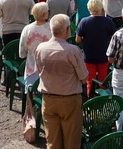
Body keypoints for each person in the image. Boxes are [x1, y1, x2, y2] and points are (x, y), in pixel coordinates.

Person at [35, 14, 87, 149]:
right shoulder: (73, 51)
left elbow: (38, 71)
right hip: (70, 100)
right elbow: (83, 78)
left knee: (52, 141)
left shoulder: (40, 49)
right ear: (67, 30)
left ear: (51, 29)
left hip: (48, 99)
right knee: (72, 142)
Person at [75, 0, 115, 98]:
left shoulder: (84, 22)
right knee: (103, 81)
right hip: (103, 55)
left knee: (90, 82)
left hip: (89, 55)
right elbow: (113, 37)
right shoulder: (108, 21)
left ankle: (90, 101)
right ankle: (102, 102)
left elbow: (77, 40)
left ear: (89, 8)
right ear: (101, 8)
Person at [19, 2, 52, 91]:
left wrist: (24, 55)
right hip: (49, 63)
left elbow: (23, 47)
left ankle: (30, 104)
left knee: (31, 90)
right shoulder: (51, 27)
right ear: (45, 14)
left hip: (32, 63)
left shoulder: (27, 29)